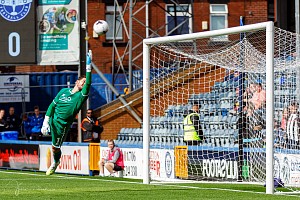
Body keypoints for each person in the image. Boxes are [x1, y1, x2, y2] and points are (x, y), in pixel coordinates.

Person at [41, 52, 92, 176]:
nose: (84, 84)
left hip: (62, 125)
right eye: (83, 81)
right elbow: (52, 106)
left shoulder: (81, 96)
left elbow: (89, 84)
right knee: (52, 143)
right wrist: (45, 122)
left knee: (55, 148)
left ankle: (56, 162)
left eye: (85, 82)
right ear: (77, 82)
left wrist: (89, 67)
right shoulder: (63, 91)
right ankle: (55, 159)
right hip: (52, 120)